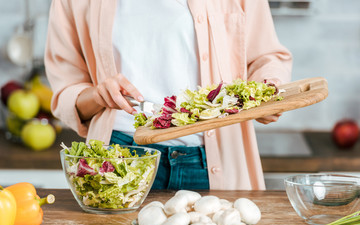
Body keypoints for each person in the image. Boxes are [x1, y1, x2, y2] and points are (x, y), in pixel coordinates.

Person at [45, 0, 292, 190]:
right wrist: (98, 96)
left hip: (210, 160)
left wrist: (268, 89)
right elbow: (66, 91)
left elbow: (266, 57)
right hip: (120, 156)